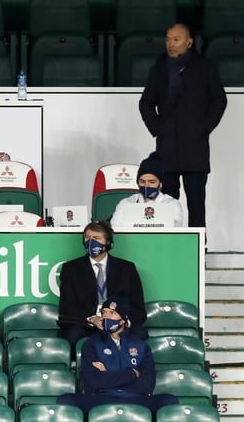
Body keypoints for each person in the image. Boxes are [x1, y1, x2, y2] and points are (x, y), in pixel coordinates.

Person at [139, 22, 227, 229]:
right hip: (166, 149)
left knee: (197, 205)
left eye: (176, 39)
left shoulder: (205, 68)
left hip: (195, 148)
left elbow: (219, 100)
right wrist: (158, 129)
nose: (171, 44)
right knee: (166, 204)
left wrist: (204, 127)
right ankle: (168, 248)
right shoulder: (158, 69)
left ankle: (199, 252)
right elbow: (146, 103)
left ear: (189, 42)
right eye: (168, 40)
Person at [57, 296, 178, 415]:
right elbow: (93, 381)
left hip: (136, 399)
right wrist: (132, 373)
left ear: (123, 319)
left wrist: (107, 373)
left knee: (169, 400)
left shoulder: (141, 346)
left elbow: (147, 384)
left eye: (112, 313)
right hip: (102, 398)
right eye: (104, 313)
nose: (106, 317)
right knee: (66, 400)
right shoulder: (91, 343)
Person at [57, 221, 147, 351]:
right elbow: (67, 308)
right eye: (88, 238)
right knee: (72, 335)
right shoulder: (71, 269)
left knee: (140, 334)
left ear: (108, 243)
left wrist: (121, 322)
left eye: (97, 238)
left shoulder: (127, 269)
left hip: (119, 322)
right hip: (86, 324)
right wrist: (92, 319)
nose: (91, 242)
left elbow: (138, 308)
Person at [110, 152, 183, 229]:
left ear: (160, 184)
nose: (146, 185)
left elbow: (175, 232)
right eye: (142, 181)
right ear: (137, 183)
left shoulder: (172, 204)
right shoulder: (126, 203)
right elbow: (116, 230)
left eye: (152, 182)